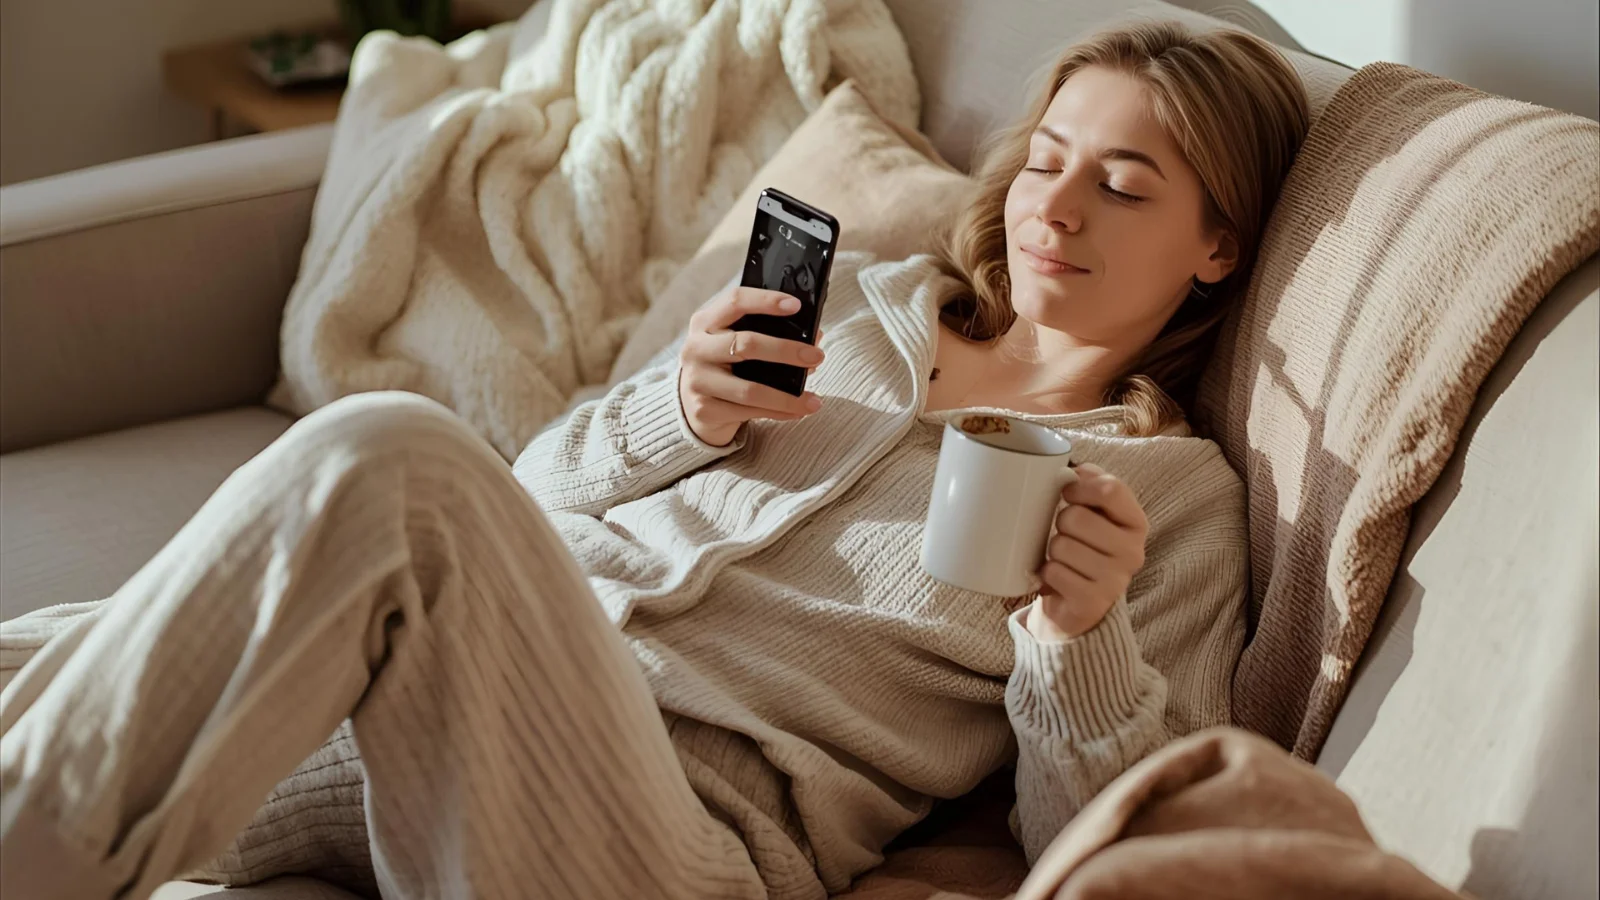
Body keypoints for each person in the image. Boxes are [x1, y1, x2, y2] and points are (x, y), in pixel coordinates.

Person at [0, 20, 1309, 900]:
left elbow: (1118, 839)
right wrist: (674, 414)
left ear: (1218, 247)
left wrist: (1075, 641)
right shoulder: (863, 297)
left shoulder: (1168, 498)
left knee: (395, 462)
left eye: (1125, 186)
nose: (1057, 208)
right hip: (436, 693)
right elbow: (524, 506)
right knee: (46, 660)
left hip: (661, 829)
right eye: (1043, 161)